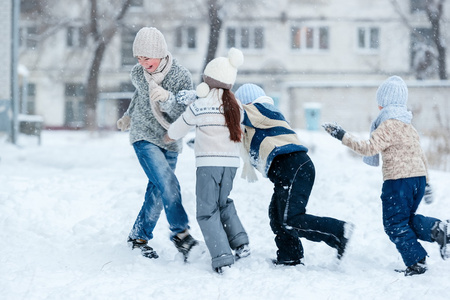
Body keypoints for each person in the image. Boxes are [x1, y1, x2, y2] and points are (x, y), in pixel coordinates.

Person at [322, 75, 450, 276]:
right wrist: (426, 183)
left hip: (399, 181)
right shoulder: (409, 126)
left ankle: (419, 258)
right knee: (405, 221)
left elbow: (368, 148)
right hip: (417, 179)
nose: (378, 107)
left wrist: (342, 135)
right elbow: (421, 155)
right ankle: (437, 230)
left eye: (379, 103)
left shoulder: (388, 124)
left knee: (394, 224)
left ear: (384, 103)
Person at [235, 83, 353, 266]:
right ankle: (290, 255)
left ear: (246, 102)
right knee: (277, 215)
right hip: (291, 169)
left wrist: (206, 100)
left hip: (293, 167)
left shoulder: (259, 110)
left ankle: (339, 230)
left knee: (291, 219)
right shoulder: (260, 118)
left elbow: (234, 112)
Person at [116, 27, 198, 260]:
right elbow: (140, 95)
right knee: (167, 182)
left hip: (170, 138)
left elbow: (185, 112)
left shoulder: (180, 76)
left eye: (147, 57)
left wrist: (168, 99)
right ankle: (181, 235)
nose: (143, 63)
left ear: (160, 53)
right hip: (143, 135)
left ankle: (138, 237)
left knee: (159, 190)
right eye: (138, 58)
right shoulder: (139, 73)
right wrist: (129, 116)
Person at [166, 48, 250, 274]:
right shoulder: (236, 106)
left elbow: (179, 127)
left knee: (206, 211)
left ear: (208, 79)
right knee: (223, 203)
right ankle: (240, 242)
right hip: (230, 164)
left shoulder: (200, 104)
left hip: (208, 165)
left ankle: (222, 256)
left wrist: (168, 136)